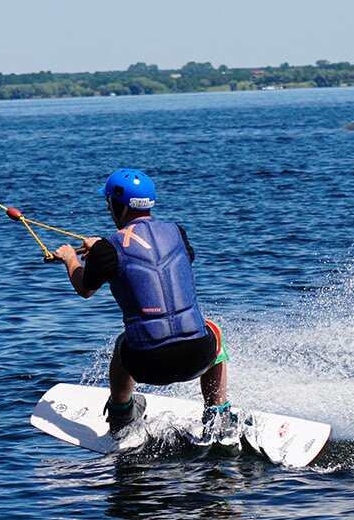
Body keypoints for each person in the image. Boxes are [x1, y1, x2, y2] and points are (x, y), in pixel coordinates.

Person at [53, 168, 231, 435]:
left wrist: (70, 259)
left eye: (108, 204)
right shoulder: (177, 232)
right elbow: (157, 257)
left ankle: (122, 414)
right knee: (213, 331)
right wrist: (102, 250)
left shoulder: (107, 249)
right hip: (198, 357)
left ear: (117, 206)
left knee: (123, 343)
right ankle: (217, 414)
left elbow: (84, 289)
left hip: (147, 365)